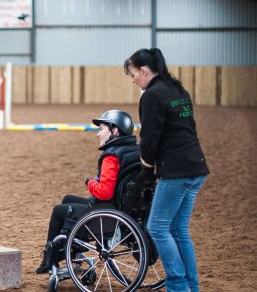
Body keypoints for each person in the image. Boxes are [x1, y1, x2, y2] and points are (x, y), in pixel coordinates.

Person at [125, 48, 208, 292]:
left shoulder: (151, 95)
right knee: (178, 230)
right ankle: (191, 287)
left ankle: (177, 286)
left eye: (133, 74)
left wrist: (146, 171)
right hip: (196, 166)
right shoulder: (179, 90)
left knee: (158, 228)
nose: (133, 80)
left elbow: (149, 140)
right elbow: (189, 128)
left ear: (143, 70)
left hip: (176, 170)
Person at [35, 110, 139, 274]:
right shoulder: (133, 151)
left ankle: (51, 258)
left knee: (58, 211)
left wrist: (90, 182)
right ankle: (68, 251)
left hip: (107, 214)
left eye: (102, 129)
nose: (98, 134)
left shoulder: (111, 156)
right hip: (124, 209)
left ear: (115, 131)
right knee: (67, 199)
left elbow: (104, 192)